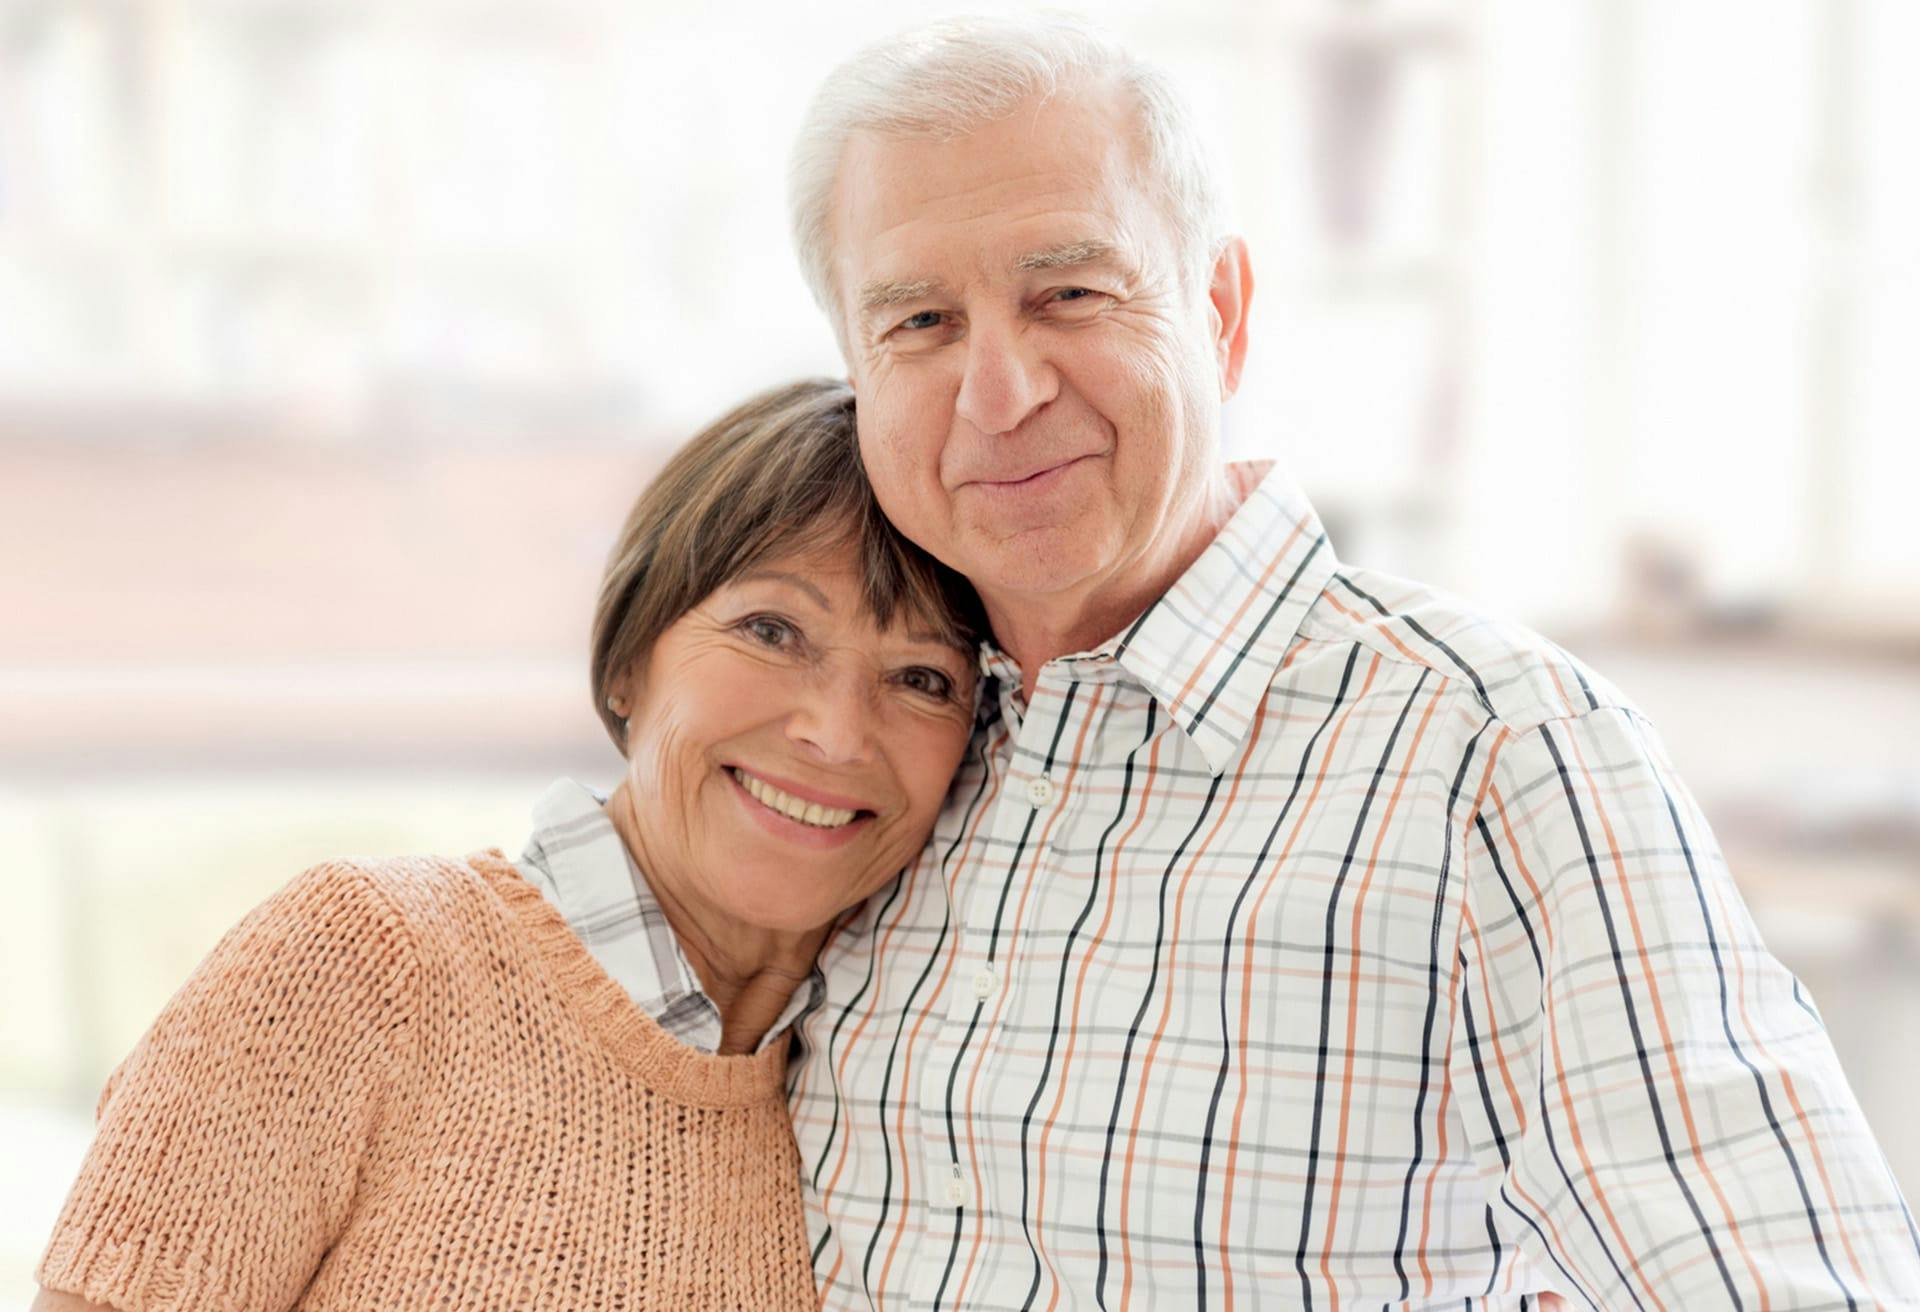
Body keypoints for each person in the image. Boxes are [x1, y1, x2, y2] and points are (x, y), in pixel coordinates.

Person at [783, 16, 1920, 1309]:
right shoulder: (857, 750)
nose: (998, 390)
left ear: (1219, 312)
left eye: (1070, 294)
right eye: (920, 321)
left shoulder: (1493, 752)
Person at [33, 379, 983, 1312]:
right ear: (626, 665)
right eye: (772, 630)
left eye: (923, 679)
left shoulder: (889, 1098)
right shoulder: (364, 960)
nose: (838, 731)